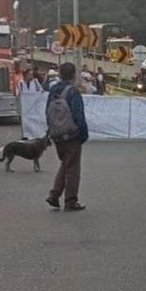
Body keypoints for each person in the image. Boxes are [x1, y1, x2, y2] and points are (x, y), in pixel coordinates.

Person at [45, 63, 88, 212]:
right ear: (73, 75)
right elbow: (78, 116)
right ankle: (70, 200)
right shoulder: (72, 92)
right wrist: (83, 134)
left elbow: (47, 112)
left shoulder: (53, 91)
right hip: (71, 134)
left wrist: (51, 130)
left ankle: (54, 194)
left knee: (66, 163)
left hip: (57, 134)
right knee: (73, 168)